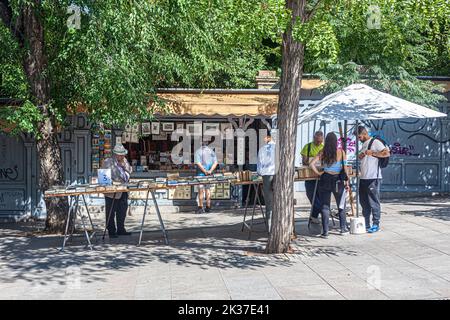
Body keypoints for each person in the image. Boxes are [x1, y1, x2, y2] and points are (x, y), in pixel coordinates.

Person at [309, 132, 349, 238]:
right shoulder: (341, 152)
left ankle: (325, 232)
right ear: (336, 142)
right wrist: (347, 182)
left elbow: (311, 164)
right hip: (337, 180)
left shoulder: (323, 152)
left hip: (325, 179)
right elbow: (345, 169)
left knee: (325, 206)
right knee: (341, 204)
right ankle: (343, 228)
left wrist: (318, 173)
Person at [356, 126, 390, 233]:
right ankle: (366, 224)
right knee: (364, 202)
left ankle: (376, 224)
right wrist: (361, 156)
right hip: (363, 177)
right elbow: (363, 157)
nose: (358, 139)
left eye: (359, 136)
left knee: (373, 202)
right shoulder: (364, 144)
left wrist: (373, 153)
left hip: (373, 177)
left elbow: (386, 153)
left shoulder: (375, 142)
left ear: (364, 133)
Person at [102, 144, 133, 238]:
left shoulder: (124, 161)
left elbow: (130, 170)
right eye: (120, 155)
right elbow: (104, 176)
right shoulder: (108, 162)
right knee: (111, 211)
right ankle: (111, 231)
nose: (122, 156)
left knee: (122, 210)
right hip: (112, 191)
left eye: (123, 154)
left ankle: (121, 229)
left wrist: (124, 166)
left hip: (123, 189)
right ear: (115, 154)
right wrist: (112, 183)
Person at [300, 131, 324, 224]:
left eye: (320, 141)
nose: (318, 143)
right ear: (314, 138)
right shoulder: (308, 147)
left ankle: (314, 216)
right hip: (309, 176)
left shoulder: (323, 147)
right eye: (317, 141)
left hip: (319, 175)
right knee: (311, 196)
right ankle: (320, 211)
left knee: (320, 196)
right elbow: (304, 161)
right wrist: (313, 161)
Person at [257, 131, 276, 232]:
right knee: (279, 201)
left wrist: (260, 173)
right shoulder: (279, 148)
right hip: (278, 174)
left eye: (264, 137)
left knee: (269, 203)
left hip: (267, 175)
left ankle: (270, 228)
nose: (263, 140)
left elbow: (259, 167)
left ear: (268, 137)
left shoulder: (262, 149)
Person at [194, 139, 218, 213]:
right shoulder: (211, 151)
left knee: (201, 191)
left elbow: (198, 163)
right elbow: (216, 163)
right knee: (208, 190)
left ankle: (200, 208)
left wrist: (204, 171)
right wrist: (210, 171)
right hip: (209, 175)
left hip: (200, 174)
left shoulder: (198, 151)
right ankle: (208, 207)